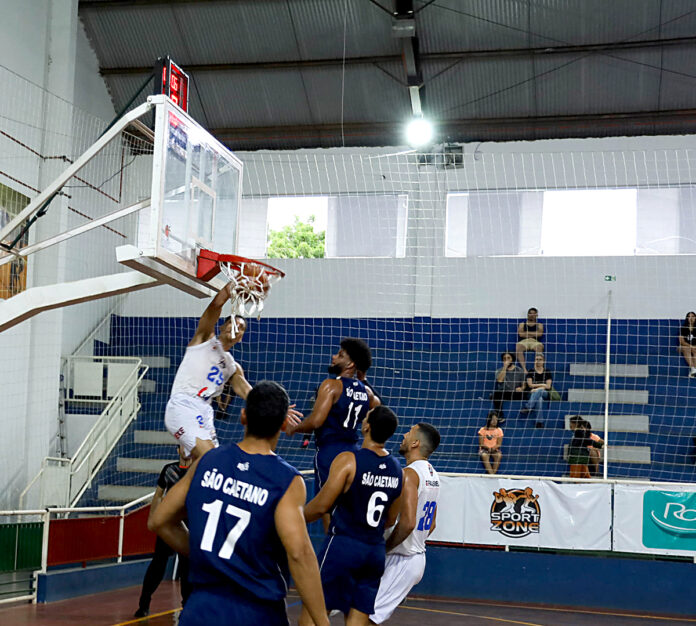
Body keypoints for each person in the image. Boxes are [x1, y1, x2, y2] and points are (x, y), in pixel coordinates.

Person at [149, 381, 330, 626]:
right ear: (284, 424)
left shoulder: (207, 461)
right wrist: (322, 621)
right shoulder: (286, 480)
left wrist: (204, 553)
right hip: (256, 610)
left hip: (200, 609)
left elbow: (159, 521)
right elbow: (300, 554)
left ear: (243, 416)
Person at [164, 287, 300, 460]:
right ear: (222, 326)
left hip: (205, 410)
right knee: (212, 460)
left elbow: (249, 393)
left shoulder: (232, 367)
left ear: (241, 337)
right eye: (233, 322)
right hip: (184, 404)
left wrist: (278, 408)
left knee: (205, 466)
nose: (236, 327)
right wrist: (229, 289)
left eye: (241, 327)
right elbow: (215, 306)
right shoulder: (204, 339)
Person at [300, 406, 403, 626]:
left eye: (365, 418)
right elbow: (392, 519)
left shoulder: (349, 460)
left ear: (366, 427)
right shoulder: (397, 470)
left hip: (344, 545)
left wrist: (294, 518)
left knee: (312, 615)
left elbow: (321, 506)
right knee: (357, 619)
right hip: (374, 551)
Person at [285, 338, 380, 530]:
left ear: (351, 364)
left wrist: (294, 428)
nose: (334, 357)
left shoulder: (331, 385)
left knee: (326, 505)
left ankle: (329, 545)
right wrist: (361, 379)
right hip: (354, 452)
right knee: (346, 503)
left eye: (340, 355)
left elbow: (316, 421)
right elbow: (378, 407)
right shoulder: (368, 393)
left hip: (330, 452)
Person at [369, 423, 441, 625]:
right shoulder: (433, 474)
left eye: (409, 433)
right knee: (361, 612)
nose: (404, 435)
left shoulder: (409, 474)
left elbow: (408, 523)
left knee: (366, 618)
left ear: (416, 443)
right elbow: (432, 524)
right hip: (414, 557)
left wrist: (386, 548)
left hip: (402, 559)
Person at [134, 447, 192, 618]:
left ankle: (186, 607)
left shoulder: (198, 471)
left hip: (188, 525)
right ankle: (144, 604)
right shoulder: (169, 470)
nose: (186, 449)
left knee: (186, 568)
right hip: (169, 524)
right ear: (178, 449)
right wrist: (153, 519)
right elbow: (158, 495)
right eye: (182, 446)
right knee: (158, 564)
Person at [491, 352, 526, 423]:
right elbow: (500, 380)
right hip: (505, 393)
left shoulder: (520, 370)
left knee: (526, 394)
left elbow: (524, 384)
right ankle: (500, 415)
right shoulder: (499, 370)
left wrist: (521, 388)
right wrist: (504, 367)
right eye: (504, 359)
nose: (506, 360)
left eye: (508, 358)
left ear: (512, 359)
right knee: (497, 394)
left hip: (516, 393)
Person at [521, 352, 552, 427]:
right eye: (536, 359)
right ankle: (539, 422)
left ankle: (528, 406)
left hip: (544, 392)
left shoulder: (547, 372)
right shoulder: (531, 372)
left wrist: (538, 389)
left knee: (540, 392)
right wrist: (542, 385)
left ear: (543, 361)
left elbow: (548, 386)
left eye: (540, 359)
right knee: (539, 400)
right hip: (532, 393)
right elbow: (530, 385)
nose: (538, 361)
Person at [515, 307, 544, 372]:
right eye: (530, 313)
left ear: (536, 315)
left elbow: (540, 334)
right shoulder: (522, 324)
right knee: (518, 347)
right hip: (524, 341)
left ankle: (536, 368)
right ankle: (524, 369)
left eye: (534, 314)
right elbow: (521, 334)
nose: (532, 315)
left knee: (539, 347)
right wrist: (534, 333)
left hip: (535, 341)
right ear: (528, 315)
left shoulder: (539, 325)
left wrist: (526, 333)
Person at [679, 311, 696, 378]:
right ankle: (693, 369)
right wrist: (690, 346)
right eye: (689, 317)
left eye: (692, 316)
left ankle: (694, 370)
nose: (691, 318)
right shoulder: (683, 328)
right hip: (686, 346)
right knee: (685, 349)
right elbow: (681, 341)